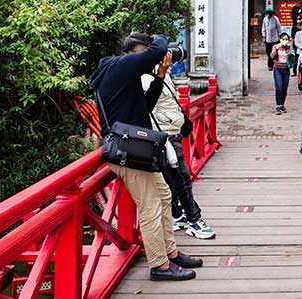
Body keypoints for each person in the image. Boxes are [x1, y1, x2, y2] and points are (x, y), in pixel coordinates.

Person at [90, 32, 202, 280]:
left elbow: (145, 106)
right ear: (135, 52)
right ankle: (159, 265)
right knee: (150, 206)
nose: (151, 61)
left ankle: (170, 253)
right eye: (147, 54)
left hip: (136, 149)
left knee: (163, 195)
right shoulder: (118, 66)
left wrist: (160, 75)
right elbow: (155, 50)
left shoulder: (121, 76)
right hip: (127, 152)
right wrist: (159, 40)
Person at [144, 68, 216, 240]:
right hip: (163, 136)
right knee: (182, 179)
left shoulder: (163, 74)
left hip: (172, 131)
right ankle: (194, 220)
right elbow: (147, 106)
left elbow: (171, 102)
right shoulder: (145, 78)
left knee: (173, 179)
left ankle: (177, 215)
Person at [269, 32, 292, 114]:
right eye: (283, 39)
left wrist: (290, 54)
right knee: (279, 87)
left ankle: (282, 105)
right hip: (277, 69)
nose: (285, 41)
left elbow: (293, 60)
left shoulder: (289, 47)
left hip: (286, 69)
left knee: (284, 88)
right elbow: (271, 56)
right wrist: (276, 48)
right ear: (280, 39)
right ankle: (278, 106)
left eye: (286, 39)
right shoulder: (276, 46)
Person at [261, 7, 281, 71]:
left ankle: (272, 64)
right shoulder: (265, 19)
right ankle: (271, 64)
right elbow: (263, 29)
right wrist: (264, 37)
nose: (269, 14)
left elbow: (279, 28)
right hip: (268, 39)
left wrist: (280, 37)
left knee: (274, 52)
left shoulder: (275, 19)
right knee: (268, 52)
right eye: (267, 13)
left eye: (270, 13)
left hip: (275, 39)